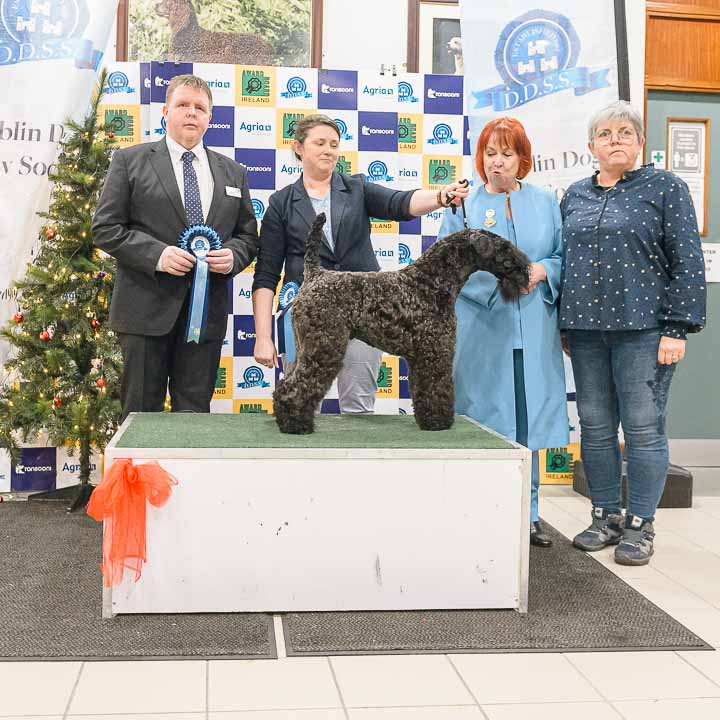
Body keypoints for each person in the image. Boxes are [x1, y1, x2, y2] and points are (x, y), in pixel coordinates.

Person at [561, 100, 706, 566]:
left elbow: (688, 260)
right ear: (591, 146)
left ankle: (640, 525)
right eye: (605, 134)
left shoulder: (666, 188)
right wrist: (563, 325)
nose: (615, 140)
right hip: (585, 332)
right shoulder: (574, 195)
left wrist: (678, 328)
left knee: (643, 429)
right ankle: (604, 516)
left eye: (625, 133)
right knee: (595, 426)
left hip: (645, 331)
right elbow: (564, 260)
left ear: (641, 142)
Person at [252, 113, 469, 413]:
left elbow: (400, 202)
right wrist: (263, 337)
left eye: (334, 144)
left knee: (358, 407)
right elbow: (266, 274)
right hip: (312, 309)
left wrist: (441, 197)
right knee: (301, 401)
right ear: (299, 147)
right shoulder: (281, 202)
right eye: (320, 143)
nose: (329, 150)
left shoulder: (357, 188)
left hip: (367, 311)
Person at [93, 74, 258, 420]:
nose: (191, 112)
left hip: (206, 319)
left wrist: (233, 256)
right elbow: (105, 228)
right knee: (140, 419)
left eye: (200, 107)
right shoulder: (129, 161)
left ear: (210, 117)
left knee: (193, 419)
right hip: (144, 314)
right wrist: (157, 255)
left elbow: (248, 236)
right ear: (166, 111)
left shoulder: (234, 173)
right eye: (182, 105)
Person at [437, 117, 568, 548]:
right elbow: (447, 264)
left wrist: (541, 271)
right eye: (490, 154)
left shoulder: (546, 202)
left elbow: (561, 256)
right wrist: (499, 283)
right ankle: (477, 512)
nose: (498, 162)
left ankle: (528, 514)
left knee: (528, 424)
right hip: (483, 327)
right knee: (481, 420)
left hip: (534, 327)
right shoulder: (464, 205)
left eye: (507, 154)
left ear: (522, 158)